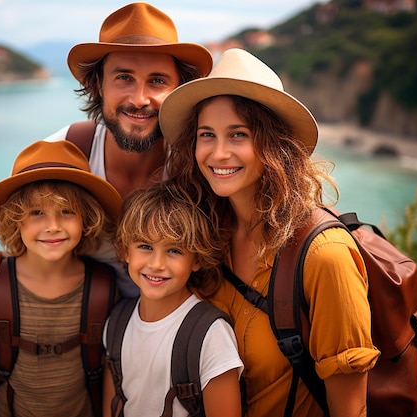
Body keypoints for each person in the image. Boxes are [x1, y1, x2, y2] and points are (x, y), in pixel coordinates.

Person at [160, 48, 381, 417]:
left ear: (274, 146)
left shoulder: (324, 256)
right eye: (207, 135)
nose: (218, 153)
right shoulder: (208, 234)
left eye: (238, 135)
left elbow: (350, 410)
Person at [0, 2, 213, 299]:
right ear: (97, 84)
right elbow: (24, 233)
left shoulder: (200, 164)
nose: (139, 98)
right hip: (89, 336)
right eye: (124, 78)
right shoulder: (59, 157)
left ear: (178, 90)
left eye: (157, 81)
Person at [0, 140, 122, 417]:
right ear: (15, 220)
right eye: (36, 212)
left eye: (67, 211)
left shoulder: (103, 286)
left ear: (86, 217)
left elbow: (109, 373)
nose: (53, 226)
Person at [102, 181, 243, 417]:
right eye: (145, 246)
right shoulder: (117, 322)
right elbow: (113, 407)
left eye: (174, 250)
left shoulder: (211, 334)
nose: (156, 264)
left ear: (196, 260)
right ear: (125, 251)